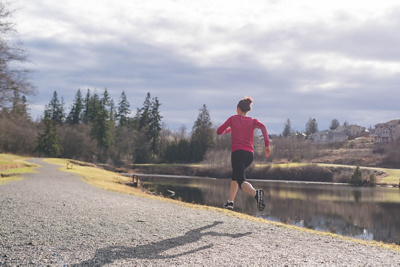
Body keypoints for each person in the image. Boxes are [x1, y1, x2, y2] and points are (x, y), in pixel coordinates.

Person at [217, 96, 271, 211]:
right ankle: (230, 202)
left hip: (237, 154)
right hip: (249, 155)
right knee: (236, 176)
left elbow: (219, 131)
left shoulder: (233, 119)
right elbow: (263, 126)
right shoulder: (252, 121)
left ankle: (256, 194)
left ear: (238, 109)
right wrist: (267, 145)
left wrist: (229, 129)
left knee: (241, 180)